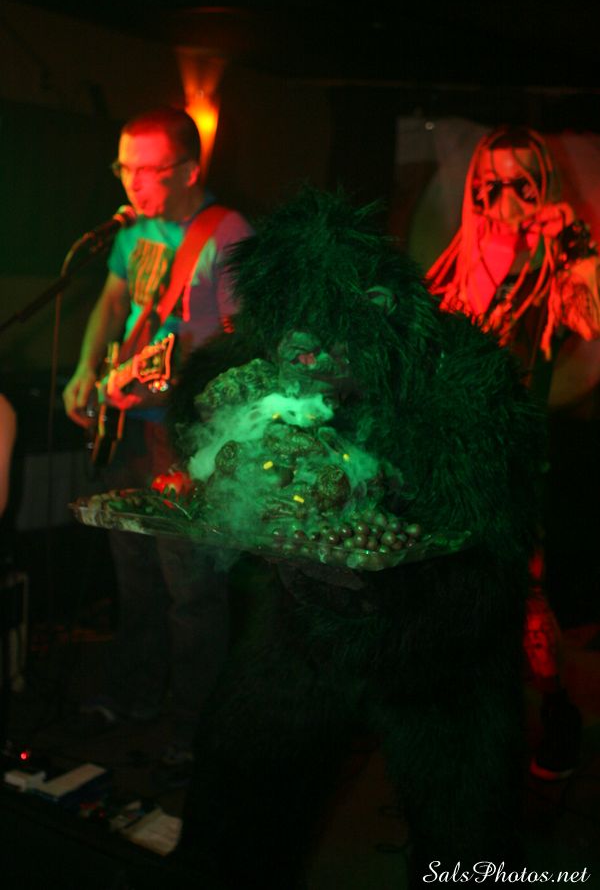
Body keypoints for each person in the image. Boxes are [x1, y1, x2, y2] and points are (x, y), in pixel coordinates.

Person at [156, 186, 544, 886]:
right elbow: (204, 397)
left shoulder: (461, 371)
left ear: (376, 308)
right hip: (305, 634)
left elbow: (488, 515)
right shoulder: (273, 347)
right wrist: (214, 416)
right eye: (287, 340)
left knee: (469, 845)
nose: (298, 361)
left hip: (441, 649)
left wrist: (380, 486)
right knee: (236, 796)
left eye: (317, 345)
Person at [63, 106, 252, 784]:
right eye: (125, 167)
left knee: (191, 590)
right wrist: (87, 367)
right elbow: (114, 301)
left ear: (190, 170)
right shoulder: (133, 230)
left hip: (185, 438)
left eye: (149, 170)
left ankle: (196, 726)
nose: (133, 183)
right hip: (127, 430)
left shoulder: (227, 234)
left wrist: (172, 380)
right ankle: (134, 695)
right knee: (134, 577)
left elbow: (240, 341)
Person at [427, 125, 600, 780]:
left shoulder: (553, 262)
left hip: (513, 457)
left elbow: (590, 320)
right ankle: (468, 728)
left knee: (522, 593)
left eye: (519, 182)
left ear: (543, 184)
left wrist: (574, 241)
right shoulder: (459, 260)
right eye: (488, 182)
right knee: (452, 594)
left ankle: (556, 711)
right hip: (452, 455)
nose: (502, 196)